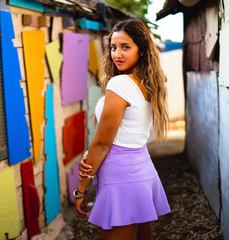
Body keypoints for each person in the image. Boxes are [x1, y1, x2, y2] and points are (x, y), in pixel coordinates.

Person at [73, 18, 171, 240]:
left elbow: (103, 143)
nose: (117, 54)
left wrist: (80, 189)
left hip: (121, 178)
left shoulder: (120, 85)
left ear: (142, 50)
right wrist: (90, 157)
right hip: (141, 171)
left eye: (125, 47)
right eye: (113, 47)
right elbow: (123, 133)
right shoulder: (149, 83)